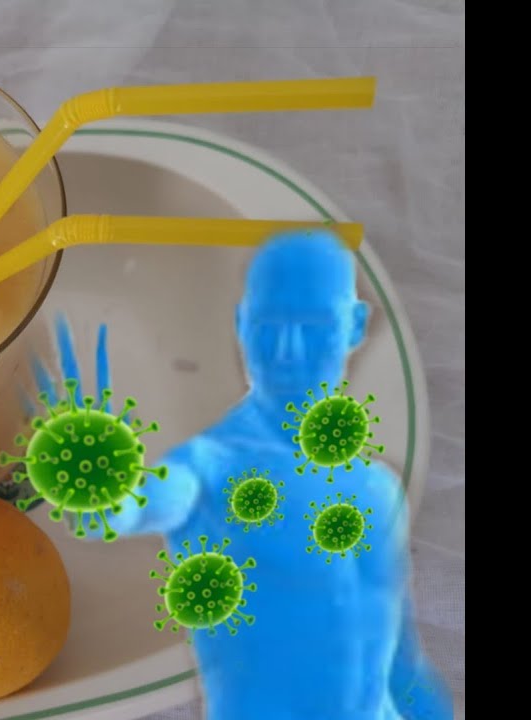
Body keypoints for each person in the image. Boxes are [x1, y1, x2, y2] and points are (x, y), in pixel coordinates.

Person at [73, 229, 452, 719]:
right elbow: (148, 500)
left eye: (313, 326)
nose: (288, 351)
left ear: (355, 325)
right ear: (241, 324)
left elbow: (401, 663)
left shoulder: (377, 488)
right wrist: (108, 497)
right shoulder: (209, 468)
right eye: (269, 326)